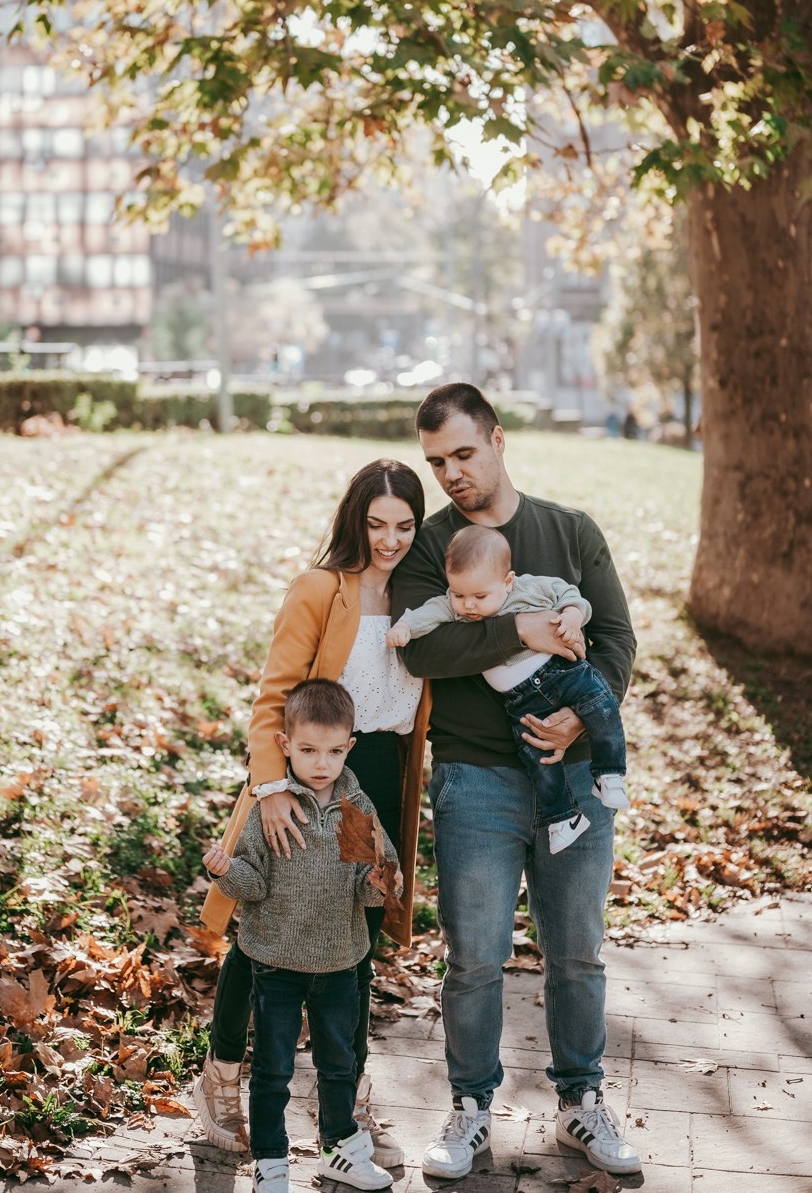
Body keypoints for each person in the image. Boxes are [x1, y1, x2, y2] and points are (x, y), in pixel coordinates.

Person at [390, 382, 641, 1182]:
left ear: (497, 440)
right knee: (473, 958)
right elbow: (423, 651)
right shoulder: (432, 544)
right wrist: (520, 631)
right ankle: (469, 1110)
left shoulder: (568, 531)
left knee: (577, 953)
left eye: (463, 453)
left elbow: (618, 638)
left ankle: (581, 1103)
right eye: (437, 463)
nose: (452, 474)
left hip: (573, 775)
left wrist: (577, 717)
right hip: (474, 781)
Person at [194, 459, 431, 1168]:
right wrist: (272, 791)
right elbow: (273, 698)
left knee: (355, 927)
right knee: (266, 927)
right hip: (307, 777)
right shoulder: (321, 589)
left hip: (377, 778)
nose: (390, 540)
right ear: (355, 519)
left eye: (406, 526)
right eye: (377, 523)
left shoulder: (423, 596)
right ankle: (222, 1075)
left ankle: (345, 1096)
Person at [204, 679, 400, 1192]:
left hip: (339, 963)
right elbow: (255, 884)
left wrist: (380, 882)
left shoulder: (355, 810)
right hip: (277, 963)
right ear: (285, 745)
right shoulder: (274, 807)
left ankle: (340, 1148)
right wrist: (226, 871)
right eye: (309, 750)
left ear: (349, 747)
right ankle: (271, 1160)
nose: (321, 763)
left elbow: (373, 882)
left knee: (340, 1065)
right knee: (273, 1070)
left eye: (334, 752)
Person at [387, 523, 629, 853]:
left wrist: (572, 617)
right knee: (537, 757)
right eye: (459, 596)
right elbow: (425, 615)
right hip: (522, 701)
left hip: (561, 673)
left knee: (599, 703)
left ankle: (610, 772)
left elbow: (571, 595)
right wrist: (403, 628)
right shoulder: (455, 605)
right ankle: (563, 818)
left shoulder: (530, 590)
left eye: (479, 597)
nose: (468, 606)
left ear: (507, 582)